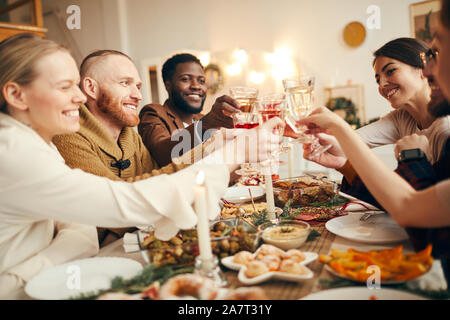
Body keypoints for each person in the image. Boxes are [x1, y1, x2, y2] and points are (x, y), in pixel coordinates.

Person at [0, 33, 283, 298]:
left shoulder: (38, 142)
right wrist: (228, 156)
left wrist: (213, 149)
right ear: (16, 95)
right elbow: (125, 202)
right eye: (65, 87)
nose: (79, 96)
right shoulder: (13, 150)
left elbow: (85, 230)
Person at [298, 0, 450, 286]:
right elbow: (406, 203)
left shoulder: (445, 129)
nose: (381, 85)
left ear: (422, 68)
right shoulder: (401, 117)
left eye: (390, 71)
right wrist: (336, 155)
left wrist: (412, 158)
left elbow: (427, 228)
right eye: (378, 78)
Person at [52, 50, 202, 246]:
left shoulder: (130, 135)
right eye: (125, 83)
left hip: (130, 244)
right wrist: (207, 152)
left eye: (138, 86)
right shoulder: (68, 136)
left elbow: (159, 183)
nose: (138, 95)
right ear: (91, 87)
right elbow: (114, 206)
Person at [138, 53, 241, 167]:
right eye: (185, 79)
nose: (196, 86)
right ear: (168, 85)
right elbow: (160, 155)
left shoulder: (202, 118)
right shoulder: (153, 113)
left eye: (201, 81)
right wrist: (204, 125)